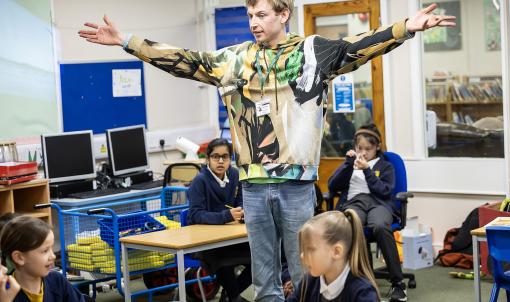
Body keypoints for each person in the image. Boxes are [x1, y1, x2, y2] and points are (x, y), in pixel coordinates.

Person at [78, 1, 455, 300]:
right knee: (265, 282)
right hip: (253, 187)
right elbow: (184, 60)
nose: (253, 22)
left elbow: (358, 48)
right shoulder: (234, 59)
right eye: (249, 15)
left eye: (261, 14)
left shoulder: (312, 52)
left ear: (283, 14)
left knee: (306, 273)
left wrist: (406, 28)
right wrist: (127, 41)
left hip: (297, 186)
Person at [328, 124, 406, 302]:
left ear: (377, 147)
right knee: (350, 226)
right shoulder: (351, 164)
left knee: (379, 226)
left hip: (379, 204)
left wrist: (367, 170)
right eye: (359, 148)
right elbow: (333, 185)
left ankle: (398, 283)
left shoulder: (386, 166)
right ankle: (362, 279)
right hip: (354, 202)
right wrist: (348, 165)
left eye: (368, 149)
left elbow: (385, 191)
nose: (363, 153)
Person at [187, 138, 252, 302]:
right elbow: (195, 215)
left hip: (231, 238)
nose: (221, 161)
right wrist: (226, 216)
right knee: (224, 261)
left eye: (225, 156)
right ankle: (234, 296)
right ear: (208, 159)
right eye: (216, 156)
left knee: (262, 258)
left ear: (231, 159)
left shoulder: (235, 174)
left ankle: (231, 295)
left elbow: (241, 201)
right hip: (206, 243)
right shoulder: (199, 181)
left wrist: (242, 211)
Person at [287, 209, 379, 302]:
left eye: (310, 249)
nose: (302, 255)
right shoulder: (308, 282)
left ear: (336, 252)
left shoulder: (363, 293)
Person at [0, 215, 86, 302]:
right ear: (19, 258)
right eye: (45, 251)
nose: (53, 256)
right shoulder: (6, 293)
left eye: (52, 248)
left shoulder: (57, 281)